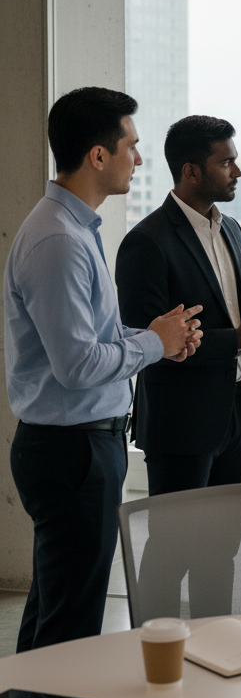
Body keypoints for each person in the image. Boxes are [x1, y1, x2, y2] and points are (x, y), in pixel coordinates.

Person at [5, 87, 202, 652]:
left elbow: (96, 341)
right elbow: (76, 365)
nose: (139, 160)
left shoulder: (76, 230)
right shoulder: (58, 241)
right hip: (72, 453)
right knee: (70, 628)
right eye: (132, 146)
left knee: (54, 611)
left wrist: (155, 338)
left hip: (80, 449)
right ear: (98, 155)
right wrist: (156, 346)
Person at [115, 116, 241, 619]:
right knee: (170, 554)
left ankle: (217, 650)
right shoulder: (146, 242)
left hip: (235, 416)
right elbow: (142, 342)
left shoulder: (232, 230)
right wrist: (235, 338)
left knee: (222, 550)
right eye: (226, 161)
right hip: (180, 423)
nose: (238, 170)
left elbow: (240, 314)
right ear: (191, 171)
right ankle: (151, 653)